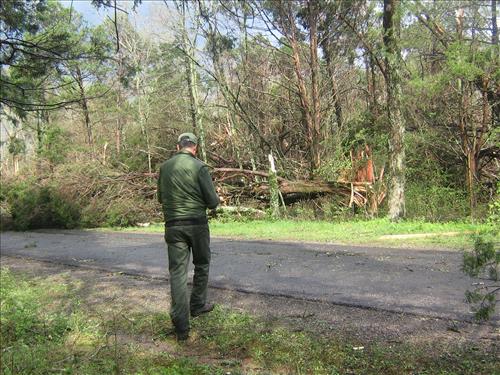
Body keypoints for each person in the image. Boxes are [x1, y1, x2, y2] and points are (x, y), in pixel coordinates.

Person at [157, 132, 220, 341]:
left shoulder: (164, 168)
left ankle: (181, 327)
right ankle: (198, 305)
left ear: (178, 147)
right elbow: (212, 202)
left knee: (177, 273)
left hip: (173, 226)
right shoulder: (200, 167)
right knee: (201, 264)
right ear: (195, 148)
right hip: (197, 225)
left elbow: (160, 198)